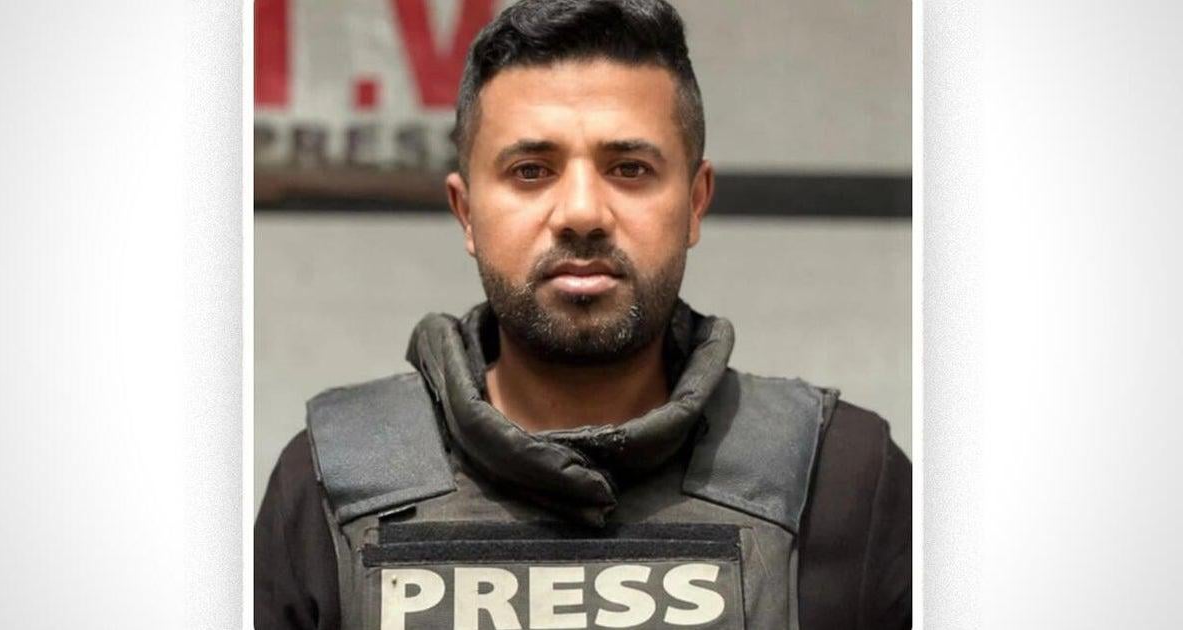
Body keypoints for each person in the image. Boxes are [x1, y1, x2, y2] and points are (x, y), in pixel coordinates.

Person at [254, 0, 911, 628]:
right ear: (467, 212)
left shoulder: (842, 478)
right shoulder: (328, 483)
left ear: (695, 203)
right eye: (530, 171)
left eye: (629, 168)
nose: (582, 213)